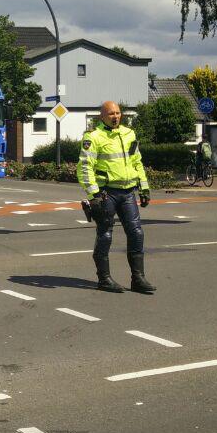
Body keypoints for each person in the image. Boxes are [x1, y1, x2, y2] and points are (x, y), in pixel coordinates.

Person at [77, 101, 154, 294]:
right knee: (105, 235)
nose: (115, 116)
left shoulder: (129, 134)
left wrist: (144, 188)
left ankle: (138, 279)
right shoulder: (93, 137)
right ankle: (104, 279)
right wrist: (93, 195)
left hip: (128, 192)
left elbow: (137, 161)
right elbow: (85, 168)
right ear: (102, 116)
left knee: (136, 233)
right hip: (106, 193)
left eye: (118, 113)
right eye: (111, 113)